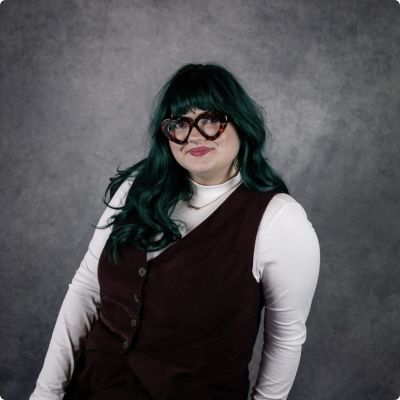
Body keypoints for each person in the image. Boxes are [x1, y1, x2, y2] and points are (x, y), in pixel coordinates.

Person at [30, 63, 320, 400]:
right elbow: (86, 289)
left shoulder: (279, 219)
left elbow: (285, 338)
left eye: (210, 119)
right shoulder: (136, 187)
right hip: (90, 387)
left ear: (241, 122)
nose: (193, 135)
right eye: (179, 123)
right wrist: (46, 393)